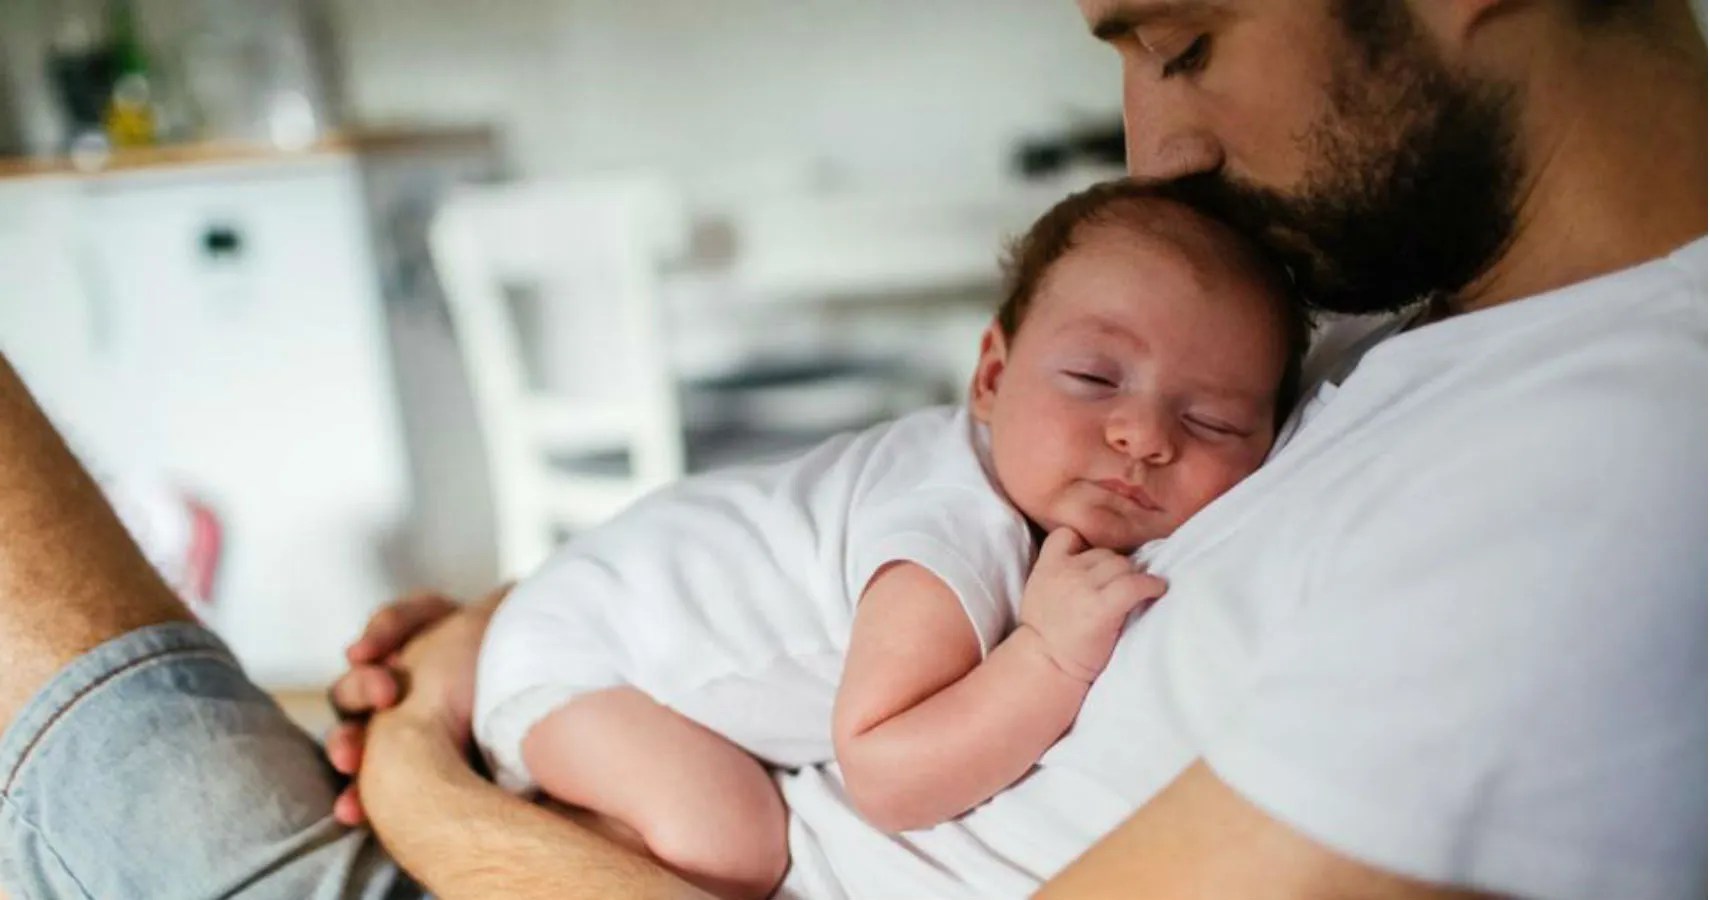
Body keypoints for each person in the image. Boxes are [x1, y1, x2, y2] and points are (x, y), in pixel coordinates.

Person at [0, 0, 1701, 897]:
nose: (1155, 153)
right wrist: (522, 634)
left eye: (1187, 41)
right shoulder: (1384, 319)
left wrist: (433, 774)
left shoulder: (1618, 465)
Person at [470, 180, 1305, 897]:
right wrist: (1050, 655)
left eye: (1213, 420)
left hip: (596, 601)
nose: (1145, 435)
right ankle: (540, 812)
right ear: (990, 379)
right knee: (732, 845)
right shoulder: (952, 530)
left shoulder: (1017, 486)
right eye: (1094, 379)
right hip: (579, 659)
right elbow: (886, 777)